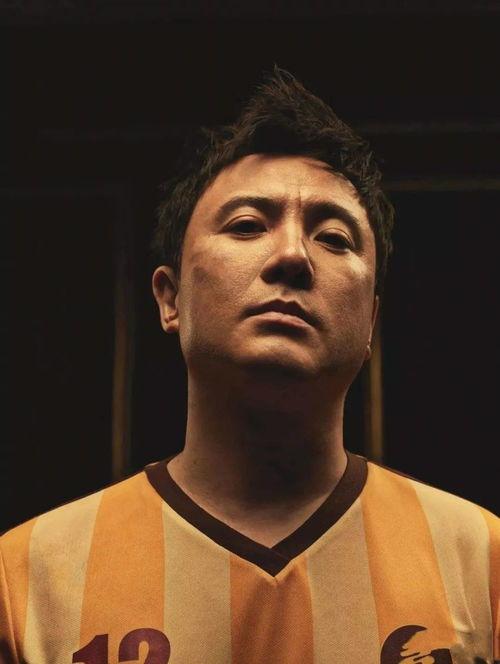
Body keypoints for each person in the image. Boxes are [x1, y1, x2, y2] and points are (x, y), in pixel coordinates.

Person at [0, 67, 498, 664]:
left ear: (370, 320)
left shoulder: (483, 563)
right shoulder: (24, 580)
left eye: (333, 238)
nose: (292, 256)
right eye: (246, 226)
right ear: (170, 299)